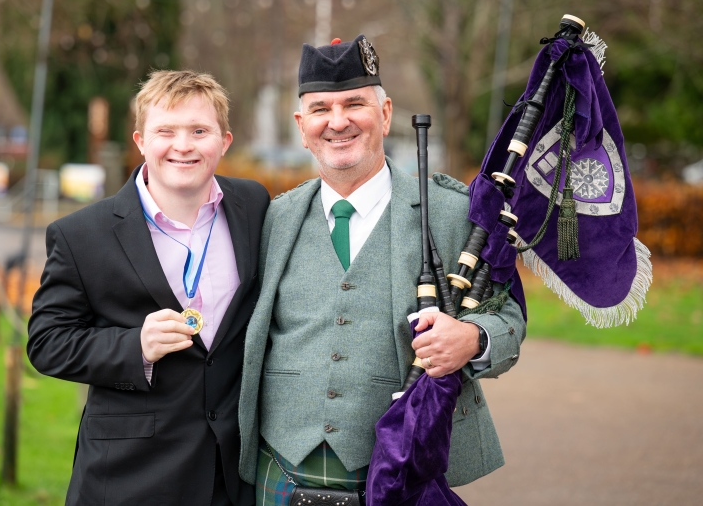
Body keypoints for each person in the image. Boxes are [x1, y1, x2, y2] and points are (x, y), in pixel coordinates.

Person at [238, 35, 527, 505]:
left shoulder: (452, 214)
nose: (337, 122)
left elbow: (510, 318)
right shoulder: (273, 219)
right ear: (301, 124)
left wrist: (473, 339)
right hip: (279, 472)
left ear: (386, 113)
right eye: (320, 109)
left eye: (355, 103)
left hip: (399, 476)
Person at [27, 70, 269, 506]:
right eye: (166, 131)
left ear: (225, 140)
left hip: (231, 475)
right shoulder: (82, 234)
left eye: (199, 130)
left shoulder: (255, 205)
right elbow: (47, 342)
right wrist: (134, 346)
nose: (183, 145)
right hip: (129, 474)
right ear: (140, 141)